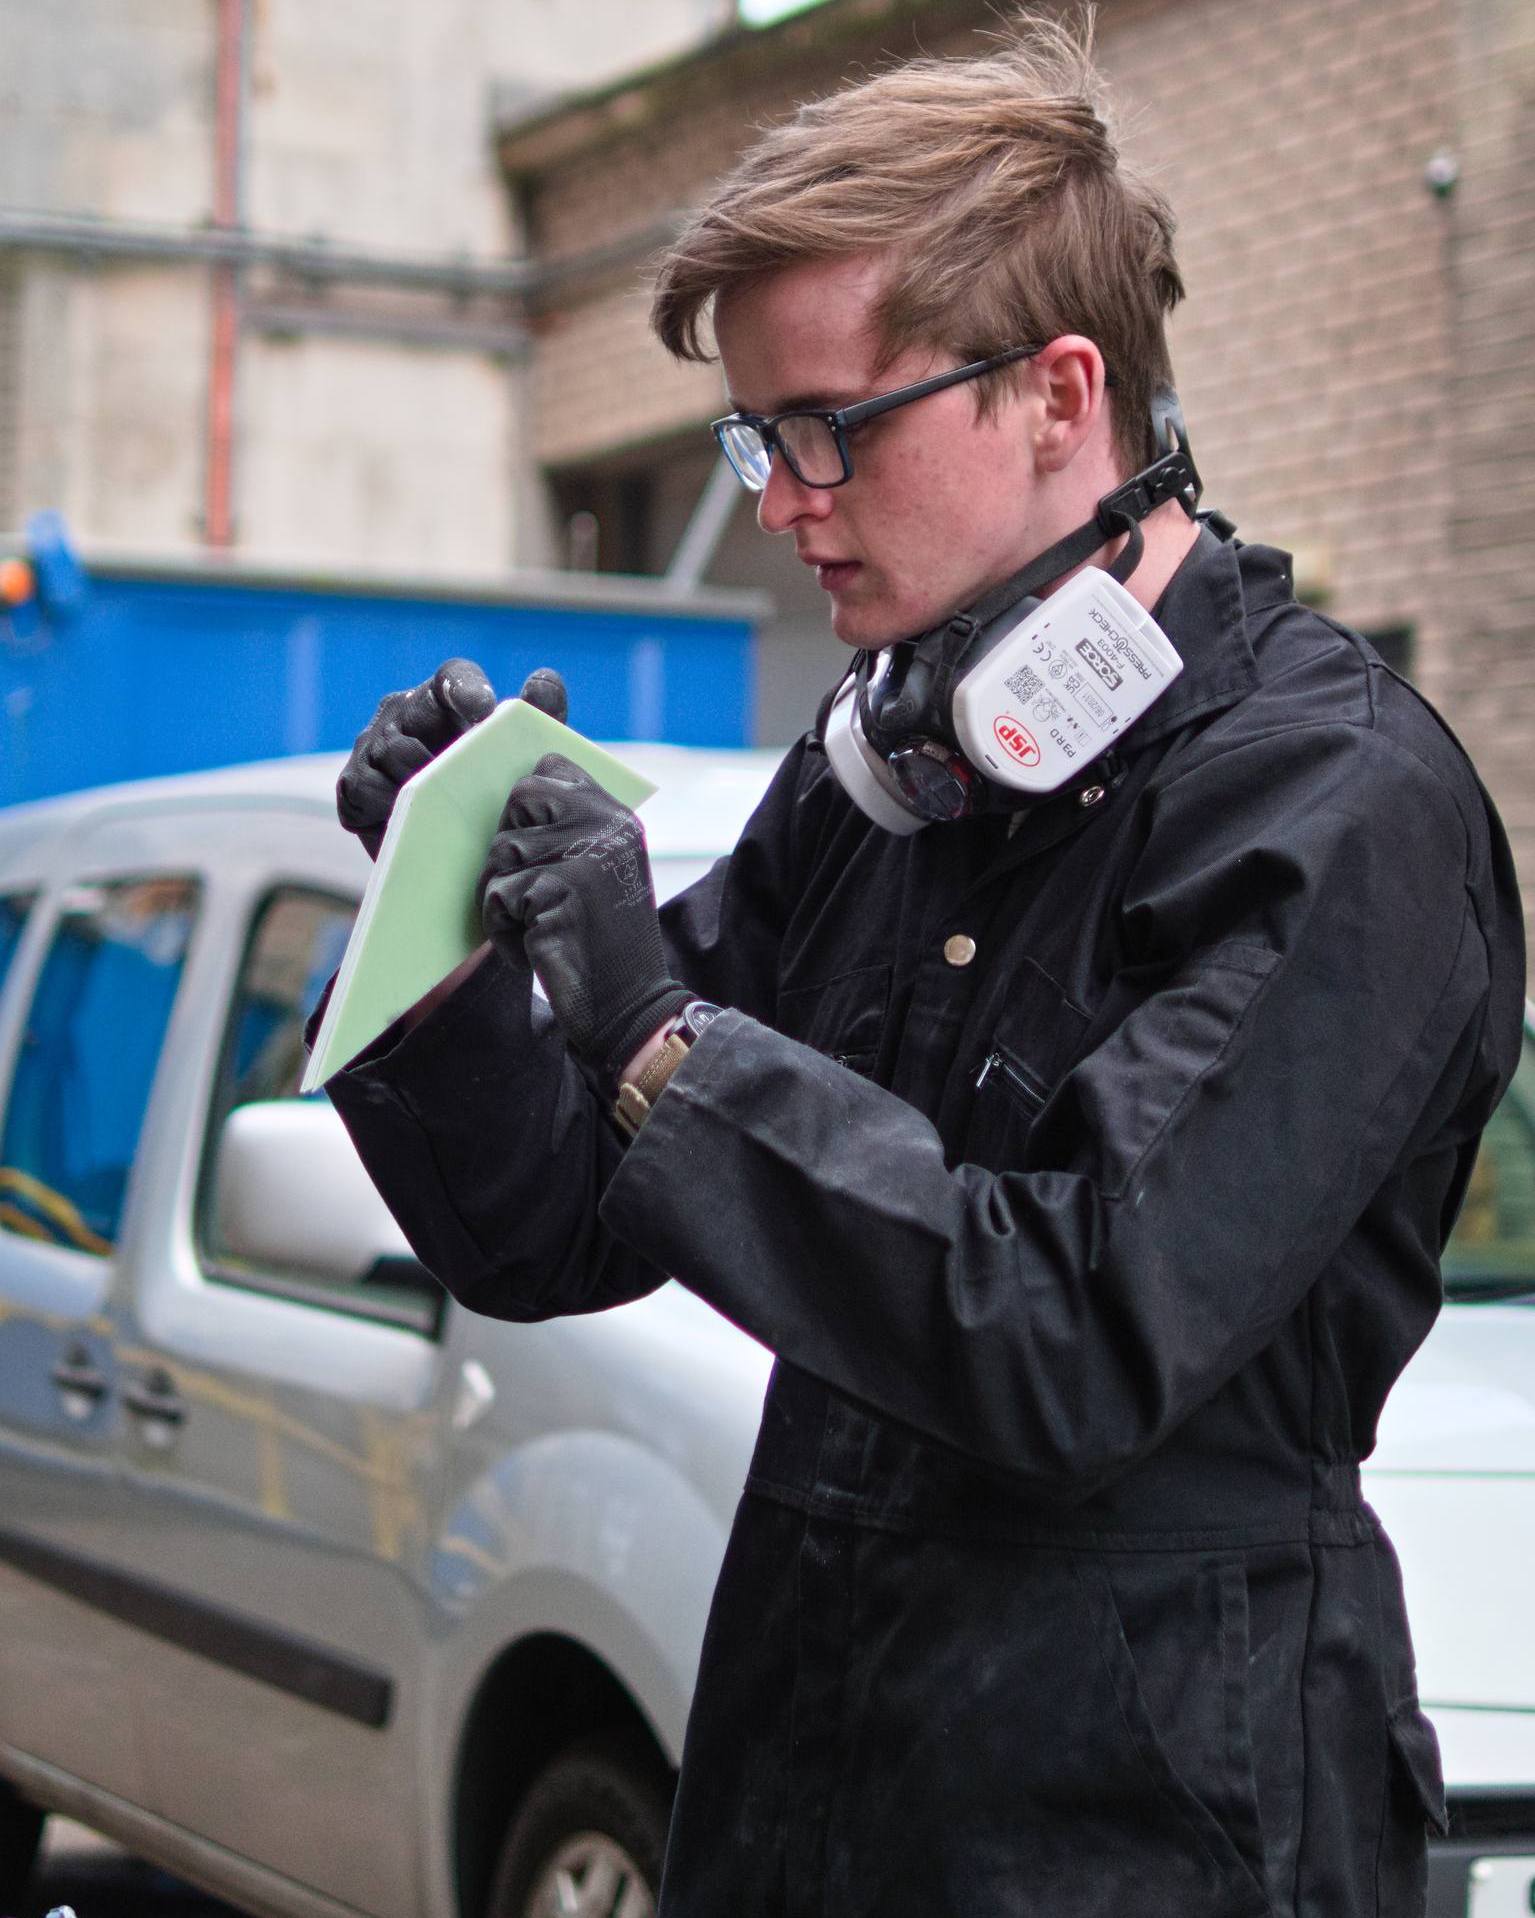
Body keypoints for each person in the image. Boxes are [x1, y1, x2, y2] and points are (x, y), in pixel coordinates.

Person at [318, 18, 1525, 1916]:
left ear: (1058, 392)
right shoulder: (897, 768)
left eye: (828, 429)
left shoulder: (1337, 809)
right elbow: (543, 1224)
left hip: (1148, 1829)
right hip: (806, 1784)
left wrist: (659, 1032)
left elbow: (1075, 1334)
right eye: (754, 436)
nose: (782, 498)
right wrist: (442, 941)